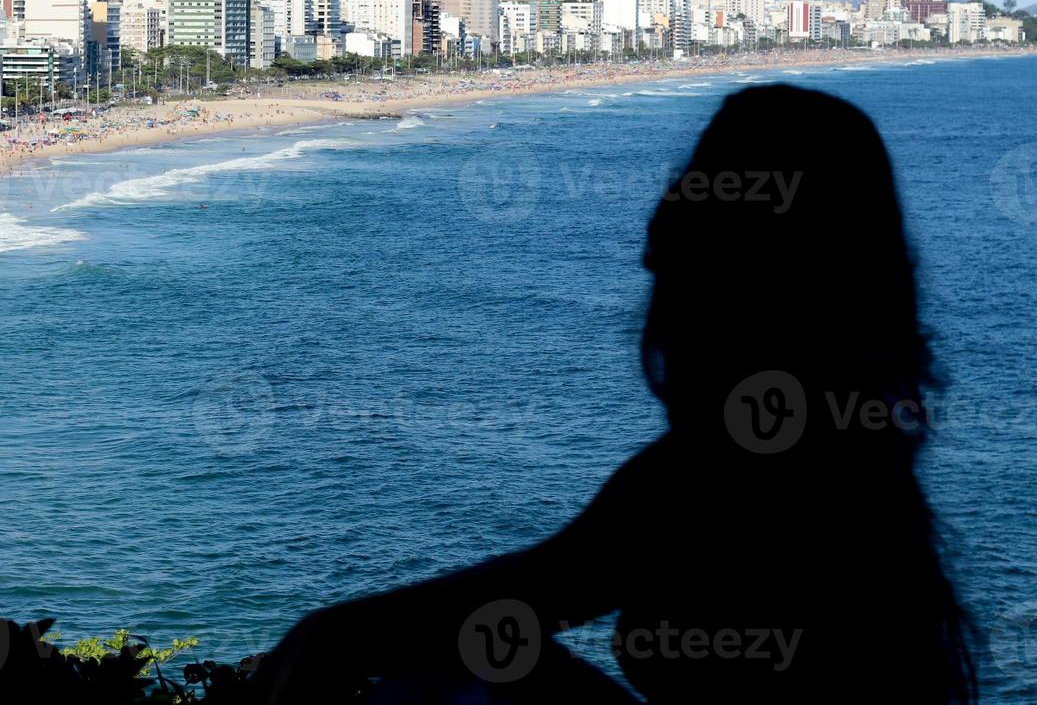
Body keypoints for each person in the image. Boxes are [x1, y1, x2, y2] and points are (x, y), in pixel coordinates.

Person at [250, 86, 977, 704]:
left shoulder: (719, 474)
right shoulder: (839, 458)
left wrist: (326, 638)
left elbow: (527, 594)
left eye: (671, 263)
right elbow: (534, 593)